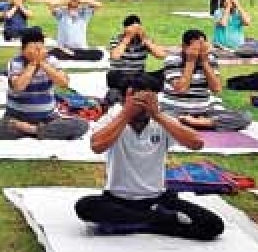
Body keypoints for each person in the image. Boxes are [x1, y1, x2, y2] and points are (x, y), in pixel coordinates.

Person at [74, 74, 224, 240]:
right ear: (124, 100)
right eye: (136, 99)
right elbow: (96, 146)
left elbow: (197, 143)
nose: (142, 105)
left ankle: (135, 223)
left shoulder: (161, 120)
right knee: (85, 206)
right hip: (118, 199)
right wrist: (125, 115)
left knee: (213, 225)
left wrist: (157, 115)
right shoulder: (113, 118)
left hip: (159, 199)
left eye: (147, 100)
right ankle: (158, 221)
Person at [0, 28, 89, 140]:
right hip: (16, 118)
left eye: (39, 49)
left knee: (81, 125)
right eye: (32, 49)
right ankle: (44, 132)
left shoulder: (51, 61)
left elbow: (64, 83)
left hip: (47, 118)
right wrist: (32, 64)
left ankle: (32, 130)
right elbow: (18, 87)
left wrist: (42, 63)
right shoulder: (16, 62)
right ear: (23, 50)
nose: (36, 52)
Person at [160, 29, 252, 130]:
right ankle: (197, 122)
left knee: (245, 117)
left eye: (202, 47)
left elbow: (216, 89)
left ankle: (200, 123)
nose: (199, 50)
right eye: (195, 47)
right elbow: (181, 89)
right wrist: (191, 61)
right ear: (184, 46)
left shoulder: (210, 59)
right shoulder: (172, 60)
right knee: (160, 119)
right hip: (176, 108)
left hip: (205, 109)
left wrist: (204, 62)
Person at [106, 15, 168, 104]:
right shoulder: (117, 40)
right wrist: (127, 38)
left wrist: (145, 39)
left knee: (163, 73)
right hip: (120, 76)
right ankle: (135, 88)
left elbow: (162, 55)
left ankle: (135, 88)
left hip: (138, 76)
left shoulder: (145, 40)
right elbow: (115, 56)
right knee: (113, 75)